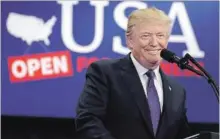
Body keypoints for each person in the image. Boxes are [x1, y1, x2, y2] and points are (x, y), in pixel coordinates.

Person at [75, 7, 191, 139]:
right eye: (146, 36)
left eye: (160, 36)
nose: (154, 43)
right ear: (130, 41)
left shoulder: (177, 90)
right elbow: (88, 120)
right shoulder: (105, 73)